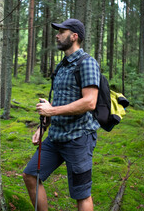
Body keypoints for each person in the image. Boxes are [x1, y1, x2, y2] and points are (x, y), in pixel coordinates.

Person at [23, 18, 101, 211]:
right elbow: (57, 102)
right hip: (55, 137)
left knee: (81, 194)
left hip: (79, 138)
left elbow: (90, 101)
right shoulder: (62, 66)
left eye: (61, 32)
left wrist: (52, 110)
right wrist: (43, 127)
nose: (57, 36)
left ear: (74, 36)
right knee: (31, 175)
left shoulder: (87, 63)